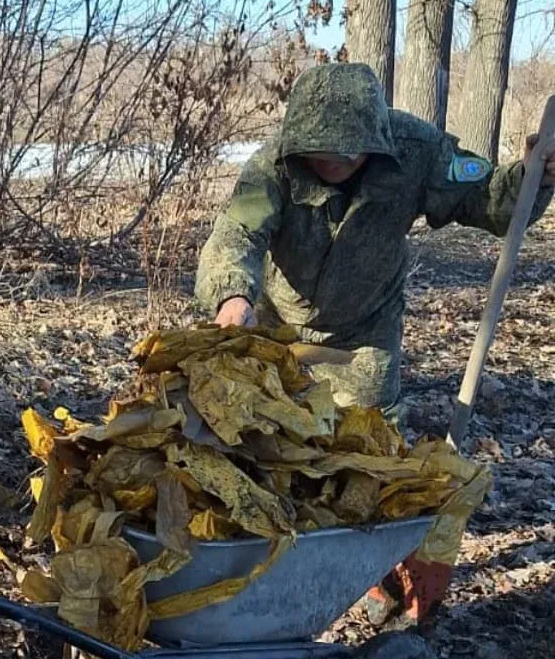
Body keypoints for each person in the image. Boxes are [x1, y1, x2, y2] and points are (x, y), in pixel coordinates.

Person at [195, 61, 555, 412]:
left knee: (367, 435)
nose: (331, 163)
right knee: (256, 423)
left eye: (346, 153)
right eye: (319, 153)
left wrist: (529, 177)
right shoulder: (273, 164)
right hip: (274, 321)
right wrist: (233, 295)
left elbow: (486, 198)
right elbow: (237, 234)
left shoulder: (416, 150)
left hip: (364, 330)